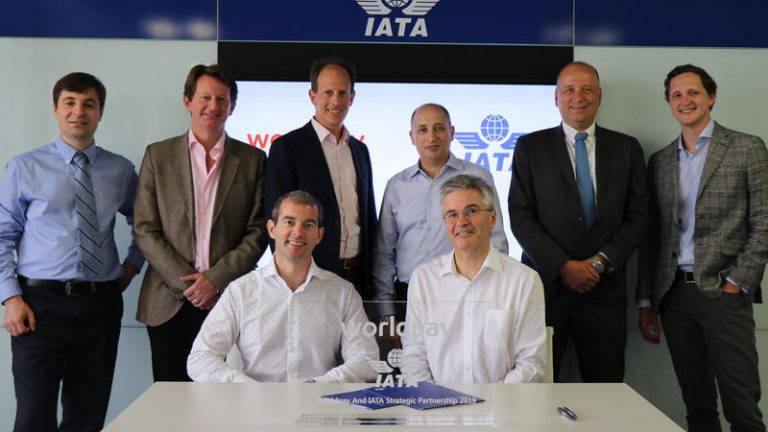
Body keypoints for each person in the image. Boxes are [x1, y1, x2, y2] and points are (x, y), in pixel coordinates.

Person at [0, 72, 144, 432]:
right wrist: (10, 298)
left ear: (100, 113)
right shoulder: (23, 167)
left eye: (88, 104)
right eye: (70, 102)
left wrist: (132, 265)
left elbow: (145, 223)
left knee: (87, 416)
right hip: (38, 304)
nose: (78, 111)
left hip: (100, 304)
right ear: (55, 109)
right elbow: (2, 236)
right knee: (34, 416)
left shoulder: (120, 169)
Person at [638, 64, 768, 432]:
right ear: (669, 103)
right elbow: (653, 237)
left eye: (693, 92)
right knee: (697, 408)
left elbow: (764, 222)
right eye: (676, 95)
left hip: (724, 294)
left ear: (711, 97)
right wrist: (646, 301)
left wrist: (737, 282)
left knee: (742, 409)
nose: (685, 100)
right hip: (675, 297)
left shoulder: (747, 148)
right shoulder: (660, 161)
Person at [507, 61, 649, 382]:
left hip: (605, 292)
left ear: (599, 96)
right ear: (556, 98)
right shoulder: (530, 147)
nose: (578, 97)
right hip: (546, 291)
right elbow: (520, 215)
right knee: (537, 389)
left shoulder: (626, 148)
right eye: (569, 90)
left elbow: (639, 216)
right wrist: (563, 267)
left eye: (587, 89)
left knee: (605, 390)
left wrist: (598, 263)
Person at [134, 64, 267, 382]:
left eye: (222, 99)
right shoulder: (158, 156)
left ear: (232, 106)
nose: (213, 106)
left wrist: (214, 280)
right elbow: (144, 228)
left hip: (227, 300)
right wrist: (192, 286)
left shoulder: (253, 160)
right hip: (169, 301)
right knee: (170, 400)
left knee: (226, 402)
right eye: (205, 97)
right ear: (187, 102)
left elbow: (258, 230)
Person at [187, 191, 378, 383]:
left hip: (317, 399)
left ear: (319, 235)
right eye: (289, 222)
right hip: (254, 401)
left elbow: (367, 360)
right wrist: (246, 387)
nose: (298, 232)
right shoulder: (240, 291)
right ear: (271, 229)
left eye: (308, 225)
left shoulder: (343, 294)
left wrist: (317, 385)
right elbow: (200, 358)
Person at [373, 103, 508, 327]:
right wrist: (387, 315)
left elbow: (497, 240)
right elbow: (383, 254)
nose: (431, 137)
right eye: (422, 130)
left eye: (439, 128)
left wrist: (490, 296)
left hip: (466, 293)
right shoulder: (396, 185)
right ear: (412, 137)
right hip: (409, 297)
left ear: (451, 132)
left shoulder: (478, 177)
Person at [401, 175, 545, 384]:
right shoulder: (424, 280)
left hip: (503, 403)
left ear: (492, 218)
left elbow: (531, 363)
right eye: (452, 214)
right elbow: (413, 357)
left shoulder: (524, 280)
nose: (461, 222)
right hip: (437, 403)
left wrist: (491, 400)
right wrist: (436, 398)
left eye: (471, 211)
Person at [264, 57, 376, 300]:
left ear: (352, 97)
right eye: (328, 93)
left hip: (358, 278)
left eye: (342, 93)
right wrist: (291, 279)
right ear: (312, 96)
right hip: (308, 278)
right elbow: (276, 221)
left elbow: (368, 218)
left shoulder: (360, 150)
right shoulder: (288, 148)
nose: (336, 101)